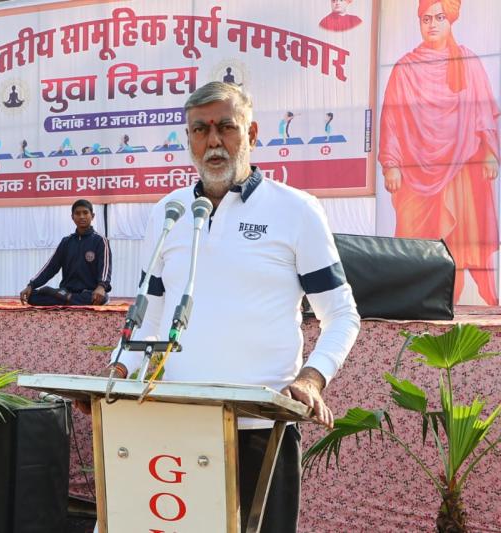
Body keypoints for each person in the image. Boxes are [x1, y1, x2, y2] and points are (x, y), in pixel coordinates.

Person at [104, 81, 360, 532]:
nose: (213, 141)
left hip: (262, 430)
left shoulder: (296, 210)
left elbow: (341, 313)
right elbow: (150, 314)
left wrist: (311, 378)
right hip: (177, 430)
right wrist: (120, 370)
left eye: (226, 127)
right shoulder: (168, 212)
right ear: (188, 139)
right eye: (200, 130)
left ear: (252, 133)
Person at [379, 0, 499, 305]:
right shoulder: (405, 68)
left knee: (462, 237)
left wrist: (489, 152)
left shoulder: (467, 61)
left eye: (439, 17)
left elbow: (484, 110)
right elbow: (391, 119)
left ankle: (465, 302)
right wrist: (391, 164)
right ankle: (416, 300)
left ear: (451, 20)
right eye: (426, 19)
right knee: (415, 240)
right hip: (416, 172)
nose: (432, 24)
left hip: (462, 166)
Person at [20, 199, 111, 306]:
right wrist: (31, 285)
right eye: (77, 213)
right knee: (31, 296)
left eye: (85, 213)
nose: (82, 216)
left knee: (102, 298)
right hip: (66, 290)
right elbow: (50, 267)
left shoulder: (100, 241)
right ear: (72, 217)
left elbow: (105, 268)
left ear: (92, 216)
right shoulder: (66, 242)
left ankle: (61, 296)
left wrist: (101, 286)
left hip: (88, 292)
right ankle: (66, 297)